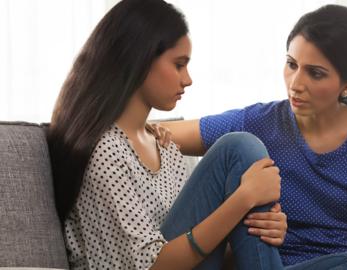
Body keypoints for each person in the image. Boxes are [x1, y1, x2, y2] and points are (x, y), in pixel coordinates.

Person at [151, 4, 347, 270]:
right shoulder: (258, 123)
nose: (296, 84)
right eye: (291, 64)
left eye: (316, 73)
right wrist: (149, 130)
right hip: (270, 262)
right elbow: (152, 131)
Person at [47, 0, 290, 269]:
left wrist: (256, 231)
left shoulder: (166, 148)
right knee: (239, 148)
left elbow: (206, 255)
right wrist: (244, 199)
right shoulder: (105, 152)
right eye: (178, 64)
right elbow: (152, 265)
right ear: (138, 59)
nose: (187, 79)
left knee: (345, 263)